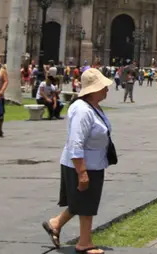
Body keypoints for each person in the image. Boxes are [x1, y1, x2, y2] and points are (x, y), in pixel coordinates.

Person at [42, 68, 114, 254]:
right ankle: (84, 243)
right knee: (86, 202)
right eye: (103, 87)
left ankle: (55, 223)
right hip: (82, 164)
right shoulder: (82, 110)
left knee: (83, 200)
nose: (106, 89)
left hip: (94, 163)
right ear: (93, 89)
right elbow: (76, 142)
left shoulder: (93, 107)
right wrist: (81, 172)